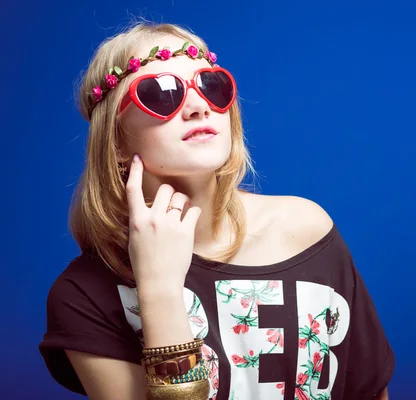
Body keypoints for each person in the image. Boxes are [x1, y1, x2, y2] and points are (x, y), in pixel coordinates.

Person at [39, 21, 394, 400]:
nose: (197, 106)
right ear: (117, 142)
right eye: (161, 94)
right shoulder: (83, 295)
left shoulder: (306, 231)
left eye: (211, 85)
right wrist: (159, 289)